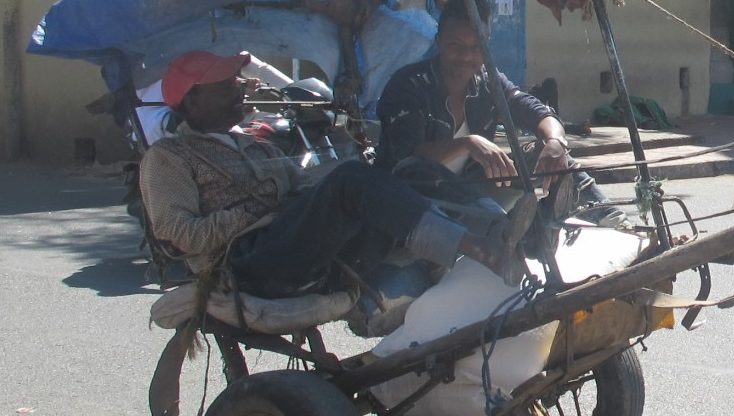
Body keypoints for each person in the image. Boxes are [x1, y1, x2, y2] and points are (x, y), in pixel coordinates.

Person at [141, 50, 511, 296]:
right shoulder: (169, 156)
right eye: (226, 86)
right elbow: (179, 235)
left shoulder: (255, 142)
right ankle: (473, 247)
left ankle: (503, 229)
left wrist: (374, 172)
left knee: (409, 169)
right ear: (192, 100)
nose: (241, 88)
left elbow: (302, 185)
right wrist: (254, 213)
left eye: (237, 81)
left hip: (293, 242)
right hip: (246, 264)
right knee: (350, 181)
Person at [378, 0, 626, 227]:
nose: (466, 55)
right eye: (456, 45)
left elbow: (533, 110)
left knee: (551, 155)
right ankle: (512, 234)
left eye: (476, 47)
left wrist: (555, 141)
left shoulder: (488, 81)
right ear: (439, 41)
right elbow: (409, 158)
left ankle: (615, 221)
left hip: (472, 185)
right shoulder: (409, 84)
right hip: (414, 200)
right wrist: (469, 143)